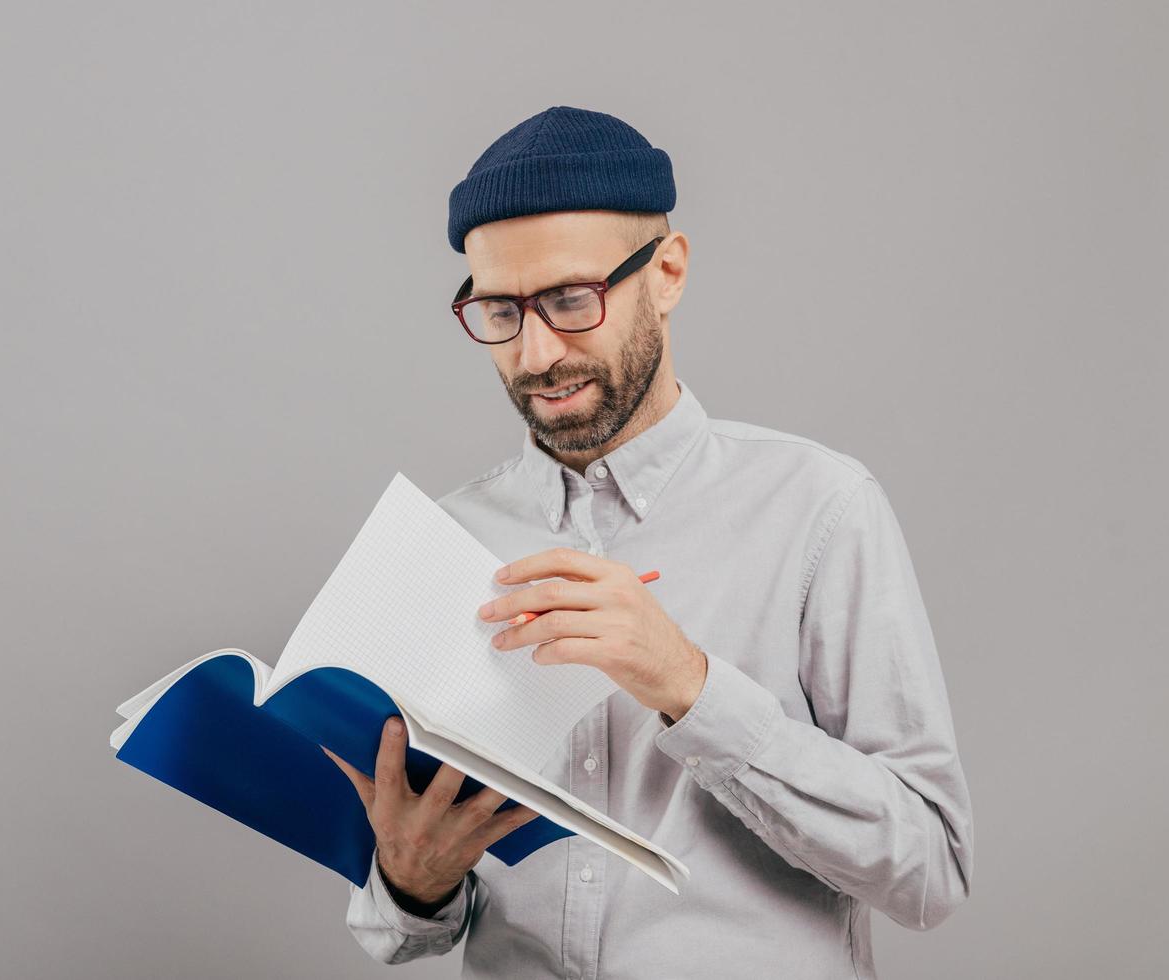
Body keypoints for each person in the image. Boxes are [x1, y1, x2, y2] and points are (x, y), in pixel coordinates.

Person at [322, 105, 974, 979]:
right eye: (499, 311)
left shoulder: (820, 508)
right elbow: (409, 937)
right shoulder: (446, 536)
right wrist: (411, 880)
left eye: (568, 299)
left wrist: (690, 685)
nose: (535, 353)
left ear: (666, 273)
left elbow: (929, 874)